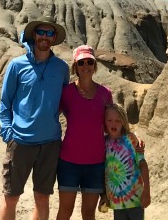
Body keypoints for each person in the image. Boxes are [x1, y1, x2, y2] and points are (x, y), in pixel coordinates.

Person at [0, 17, 70, 220]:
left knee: (42, 197)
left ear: (54, 38)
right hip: (20, 142)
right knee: (10, 197)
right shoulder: (16, 65)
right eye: (41, 32)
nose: (45, 37)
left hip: (50, 143)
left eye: (50, 33)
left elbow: (66, 103)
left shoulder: (61, 68)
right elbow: (5, 103)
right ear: (34, 35)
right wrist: (8, 134)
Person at [56, 46, 113, 220]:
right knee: (65, 210)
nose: (86, 65)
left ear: (94, 65)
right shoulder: (66, 92)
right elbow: (50, 116)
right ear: (75, 66)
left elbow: (112, 125)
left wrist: (131, 138)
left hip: (96, 163)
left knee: (88, 213)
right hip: (69, 162)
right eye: (81, 62)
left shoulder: (105, 94)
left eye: (90, 61)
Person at [102, 103, 150, 220]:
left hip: (135, 200)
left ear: (123, 122)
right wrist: (103, 195)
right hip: (116, 202)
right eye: (110, 120)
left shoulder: (131, 139)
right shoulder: (103, 143)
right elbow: (103, 171)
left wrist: (147, 191)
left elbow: (142, 164)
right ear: (104, 122)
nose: (114, 123)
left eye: (118, 120)